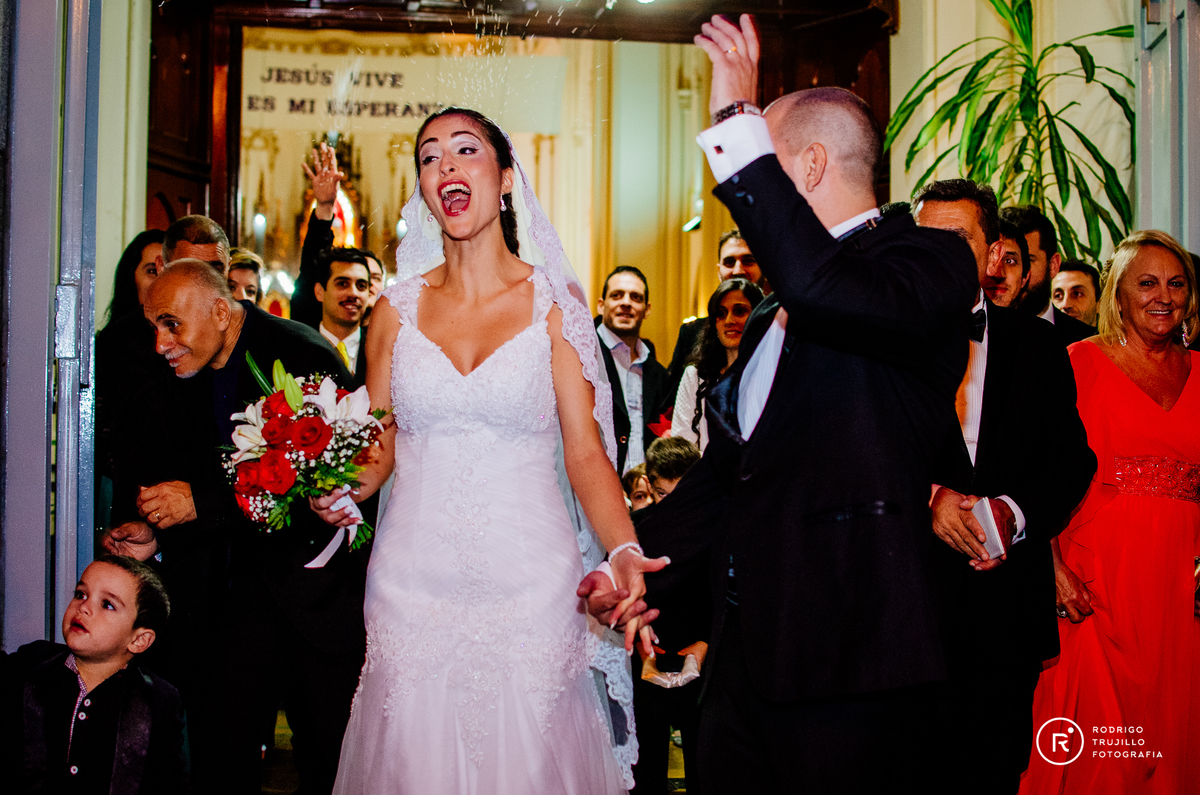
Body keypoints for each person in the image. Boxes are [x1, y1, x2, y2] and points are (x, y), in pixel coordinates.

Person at [586, 16, 978, 794]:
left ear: (807, 164)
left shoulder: (929, 264)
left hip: (854, 665)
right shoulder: (769, 315)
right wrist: (631, 565)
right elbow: (728, 482)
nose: (734, 187)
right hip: (743, 662)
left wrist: (738, 118)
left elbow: (827, 288)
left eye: (757, 159)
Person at [313, 107, 666, 793]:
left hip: (532, 584)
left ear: (505, 178)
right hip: (410, 585)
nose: (444, 165)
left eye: (465, 150)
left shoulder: (554, 306)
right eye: (428, 156)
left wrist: (622, 549)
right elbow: (379, 446)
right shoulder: (393, 311)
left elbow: (586, 452)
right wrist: (333, 485)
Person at [104, 259, 365, 795]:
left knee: (332, 760)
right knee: (222, 754)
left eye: (171, 324)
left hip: (321, 598)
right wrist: (161, 531)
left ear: (221, 311)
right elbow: (204, 480)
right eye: (155, 326)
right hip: (240, 600)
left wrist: (198, 501)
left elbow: (328, 481)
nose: (161, 344)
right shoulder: (186, 373)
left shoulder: (301, 356)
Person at [913, 177, 1097, 795]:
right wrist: (928, 498)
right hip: (908, 608)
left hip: (1004, 614)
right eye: (927, 238)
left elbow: (1073, 460)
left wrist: (1013, 515)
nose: (939, 252)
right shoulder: (880, 342)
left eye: (958, 239)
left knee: (993, 774)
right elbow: (850, 459)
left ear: (994, 253)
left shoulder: (1040, 345)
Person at [1020, 230, 1200, 794]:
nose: (1162, 296)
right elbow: (1033, 470)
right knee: (1097, 751)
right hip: (1095, 586)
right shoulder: (1075, 362)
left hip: (1180, 589)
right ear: (1116, 296)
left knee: (1171, 732)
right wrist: (1049, 568)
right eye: (1146, 283)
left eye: (1176, 284)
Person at [1, 555, 187, 794]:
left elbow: (171, 785)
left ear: (139, 640)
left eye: (107, 604)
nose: (84, 607)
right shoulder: (31, 664)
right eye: (81, 594)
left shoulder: (157, 700)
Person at [665, 230, 768, 397]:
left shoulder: (783, 328)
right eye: (729, 262)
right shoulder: (691, 333)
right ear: (719, 270)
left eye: (748, 261)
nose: (738, 270)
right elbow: (672, 401)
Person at [293, 143, 384, 330]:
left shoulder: (393, 345)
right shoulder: (310, 332)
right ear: (321, 291)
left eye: (369, 280)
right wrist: (325, 207)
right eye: (343, 282)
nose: (355, 291)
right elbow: (311, 269)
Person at [671, 278, 763, 449]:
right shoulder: (695, 375)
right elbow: (682, 444)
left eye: (740, 311)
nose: (729, 320)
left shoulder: (773, 371)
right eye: (720, 313)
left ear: (758, 316)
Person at [597, 265, 671, 473]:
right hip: (594, 491)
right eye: (617, 295)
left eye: (635, 297)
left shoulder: (658, 374)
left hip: (644, 494)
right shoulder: (581, 357)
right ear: (601, 305)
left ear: (647, 309)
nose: (626, 303)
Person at [1001, 205, 1095, 344]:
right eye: (1008, 261)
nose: (1006, 273)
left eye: (1028, 260)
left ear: (1053, 265)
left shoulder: (1087, 341)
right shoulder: (968, 335)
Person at [313, 247, 372, 382]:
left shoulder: (381, 350)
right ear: (320, 292)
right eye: (343, 284)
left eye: (361, 285)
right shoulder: (299, 349)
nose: (353, 293)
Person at [101, 229, 166, 328]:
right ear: (131, 277)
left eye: (169, 271)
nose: (162, 282)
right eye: (152, 271)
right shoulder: (112, 339)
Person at [1051, 259, 1101, 326]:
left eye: (1077, 294)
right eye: (1058, 296)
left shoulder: (1114, 336)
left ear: (1099, 304)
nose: (1065, 305)